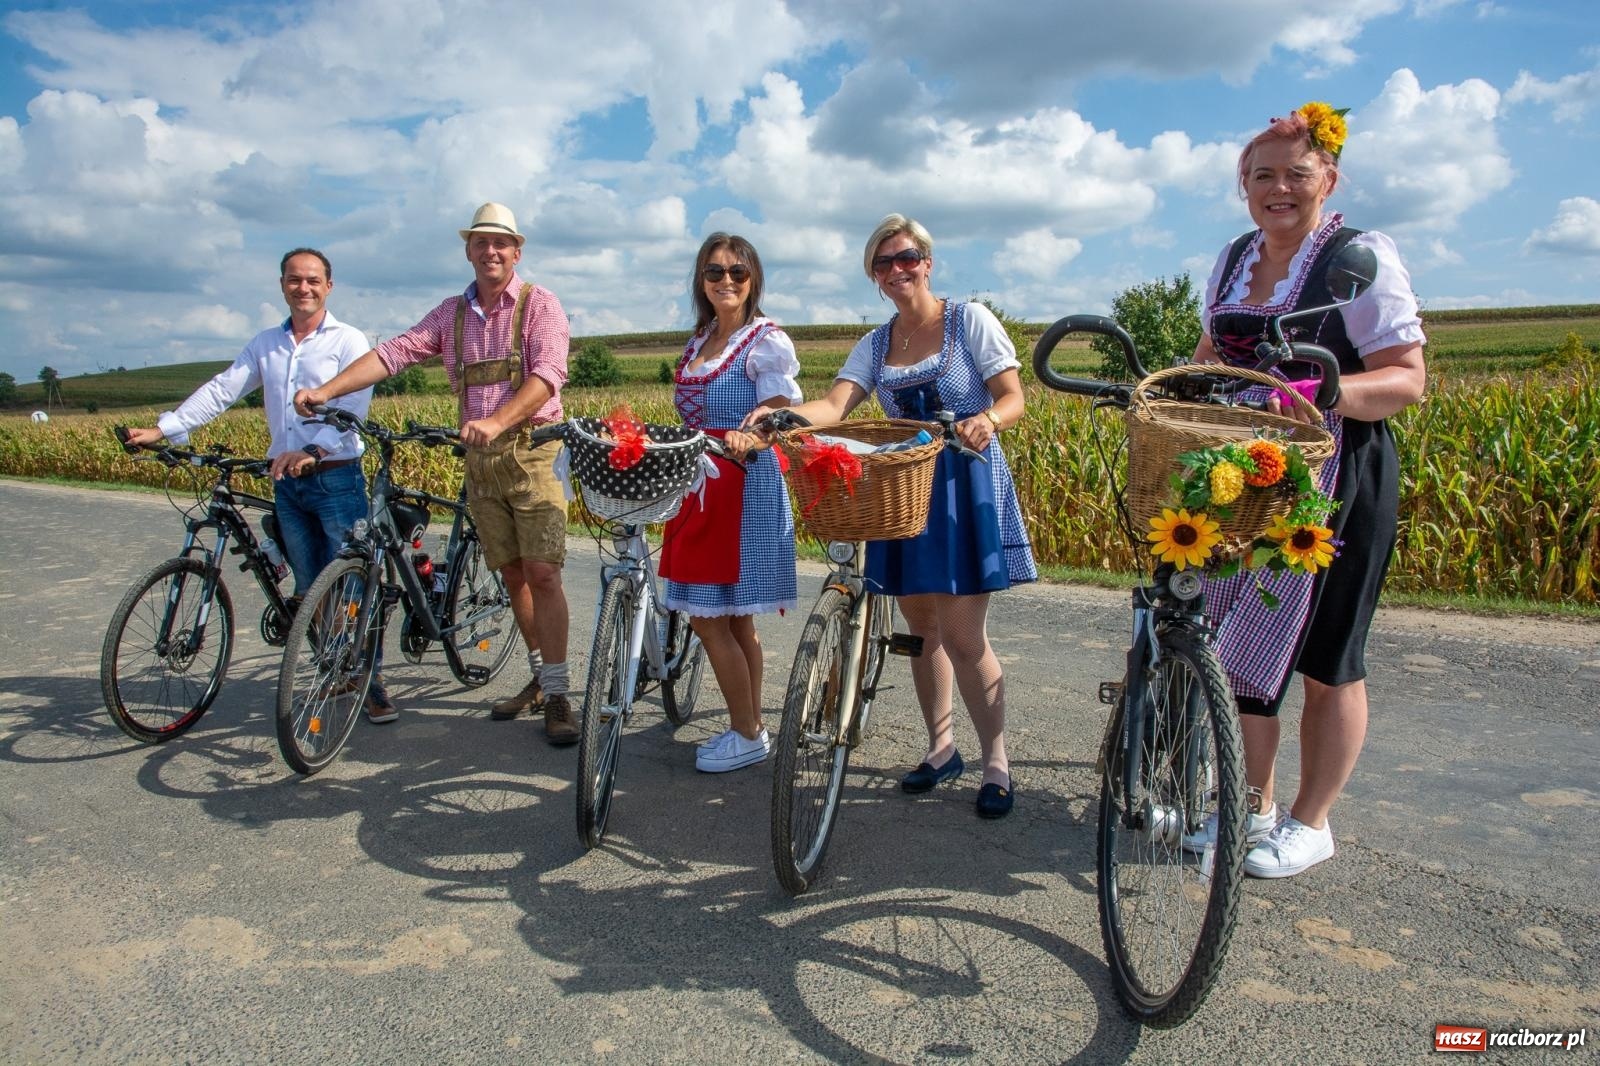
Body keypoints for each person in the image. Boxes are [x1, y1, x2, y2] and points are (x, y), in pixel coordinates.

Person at [1192, 103, 1426, 877]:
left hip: (1339, 475)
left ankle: (1309, 822)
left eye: (1297, 173)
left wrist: (1321, 396)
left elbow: (1406, 379)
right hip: (1248, 475)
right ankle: (1250, 807)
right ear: (1244, 187)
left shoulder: (1355, 258)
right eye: (1263, 176)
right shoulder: (1233, 259)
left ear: (1329, 176)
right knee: (1243, 645)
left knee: (1328, 658)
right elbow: (1207, 356)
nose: (1279, 188)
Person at [748, 213, 1036, 818]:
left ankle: (997, 761)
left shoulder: (969, 321)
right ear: (874, 277)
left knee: (962, 636)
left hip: (961, 483)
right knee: (922, 632)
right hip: (903, 487)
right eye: (884, 263)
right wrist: (782, 417)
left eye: (907, 257)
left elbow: (1014, 396)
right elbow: (835, 405)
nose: (898, 270)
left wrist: (989, 420)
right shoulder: (877, 343)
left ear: (927, 262)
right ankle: (941, 747)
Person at [292, 203, 578, 744]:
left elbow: (548, 374)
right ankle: (541, 679)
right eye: (480, 242)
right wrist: (327, 392)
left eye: (500, 243)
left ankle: (560, 693)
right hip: (481, 459)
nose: (490, 252)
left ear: (516, 251)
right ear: (468, 250)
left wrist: (495, 420)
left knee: (543, 573)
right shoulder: (451, 313)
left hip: (535, 451)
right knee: (513, 575)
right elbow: (396, 353)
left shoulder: (540, 304)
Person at [123, 249, 394, 722]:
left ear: (329, 286)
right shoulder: (267, 343)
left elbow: (353, 410)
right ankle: (336, 668)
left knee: (350, 585)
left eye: (313, 280)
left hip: (335, 478)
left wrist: (315, 451)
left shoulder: (348, 341)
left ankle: (369, 680)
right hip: (287, 483)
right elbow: (224, 388)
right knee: (311, 587)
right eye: (294, 279)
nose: (303, 288)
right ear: (282, 284)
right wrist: (165, 429)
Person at [658, 234, 800, 773]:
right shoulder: (700, 341)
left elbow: (778, 403)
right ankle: (751, 728)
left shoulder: (764, 340)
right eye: (714, 271)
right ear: (701, 279)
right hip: (699, 486)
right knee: (730, 620)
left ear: (753, 279)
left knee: (712, 619)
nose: (726, 281)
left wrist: (755, 430)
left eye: (737, 272)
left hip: (743, 486)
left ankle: (746, 732)